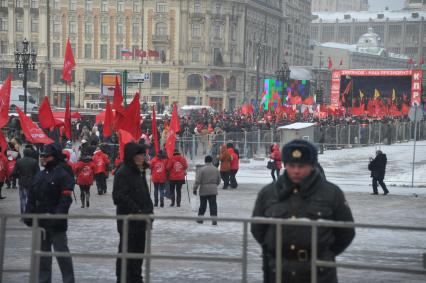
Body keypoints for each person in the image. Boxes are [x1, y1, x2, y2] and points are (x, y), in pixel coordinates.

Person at [251, 139, 355, 283]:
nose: (296, 170)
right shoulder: (268, 193)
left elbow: (346, 231)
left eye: (302, 166)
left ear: (312, 165)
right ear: (285, 165)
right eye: (291, 165)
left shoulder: (331, 193)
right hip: (279, 271)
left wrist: (325, 253)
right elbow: (258, 228)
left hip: (319, 271)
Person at [24, 143, 75, 283]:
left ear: (55, 157)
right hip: (41, 224)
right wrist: (28, 215)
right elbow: (32, 197)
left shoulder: (62, 174)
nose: (44, 158)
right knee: (43, 258)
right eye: (42, 156)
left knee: (62, 256)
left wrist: (56, 217)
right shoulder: (39, 175)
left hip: (56, 225)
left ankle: (69, 280)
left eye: (47, 156)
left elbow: (66, 200)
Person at [112, 142, 153, 283]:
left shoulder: (139, 171)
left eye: (144, 154)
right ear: (132, 156)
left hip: (141, 222)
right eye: (141, 154)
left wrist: (148, 211)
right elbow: (119, 196)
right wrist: (138, 210)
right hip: (129, 222)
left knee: (137, 255)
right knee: (127, 254)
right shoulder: (123, 172)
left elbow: (144, 195)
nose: (144, 157)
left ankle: (136, 278)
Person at [193, 155, 221, 225]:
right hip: (213, 190)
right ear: (211, 161)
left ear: (205, 161)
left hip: (203, 190)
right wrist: (214, 185)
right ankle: (214, 220)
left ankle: (200, 219)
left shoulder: (202, 170)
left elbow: (197, 181)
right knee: (213, 205)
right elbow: (219, 180)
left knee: (202, 205)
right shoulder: (216, 169)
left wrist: (195, 189)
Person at [12, 148, 40, 213]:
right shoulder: (34, 161)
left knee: (22, 199)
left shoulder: (19, 161)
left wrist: (18, 176)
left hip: (22, 182)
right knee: (31, 199)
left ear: (23, 153)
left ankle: (24, 215)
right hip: (32, 183)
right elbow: (38, 173)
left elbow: (14, 173)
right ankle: (30, 213)